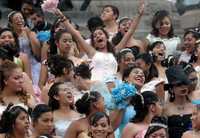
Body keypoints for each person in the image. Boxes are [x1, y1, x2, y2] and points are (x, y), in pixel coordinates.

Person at [8, 11, 41, 85]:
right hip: (16, 64)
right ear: (11, 23)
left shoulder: (30, 32)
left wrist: (30, 35)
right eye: (16, 19)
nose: (20, 20)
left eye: (21, 18)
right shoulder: (9, 36)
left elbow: (37, 53)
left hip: (32, 63)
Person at [164, 65, 193, 138]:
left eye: (185, 83)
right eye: (178, 85)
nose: (183, 87)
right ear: (171, 89)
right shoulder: (166, 108)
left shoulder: (195, 106)